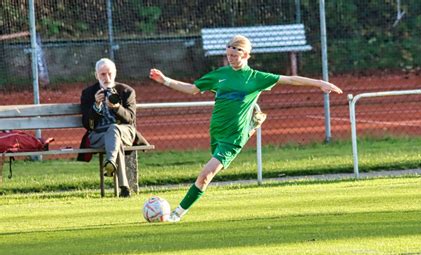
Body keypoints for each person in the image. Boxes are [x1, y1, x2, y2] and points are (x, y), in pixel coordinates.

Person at [149, 35, 343, 221]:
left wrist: (320, 84)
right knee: (206, 174)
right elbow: (192, 89)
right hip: (217, 131)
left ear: (246, 55)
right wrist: (165, 80)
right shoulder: (220, 75)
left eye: (235, 55)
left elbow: (291, 79)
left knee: (205, 175)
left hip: (234, 136)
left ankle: (177, 214)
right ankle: (253, 124)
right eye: (228, 55)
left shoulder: (256, 78)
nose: (231, 59)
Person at [80, 58, 148, 197]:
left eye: (109, 73)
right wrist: (96, 106)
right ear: (96, 75)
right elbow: (87, 124)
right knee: (115, 142)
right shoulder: (88, 93)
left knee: (114, 129)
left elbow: (130, 119)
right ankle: (124, 187)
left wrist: (117, 108)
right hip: (99, 135)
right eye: (103, 74)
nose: (107, 77)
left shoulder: (126, 91)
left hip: (124, 131)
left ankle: (110, 162)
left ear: (115, 73)